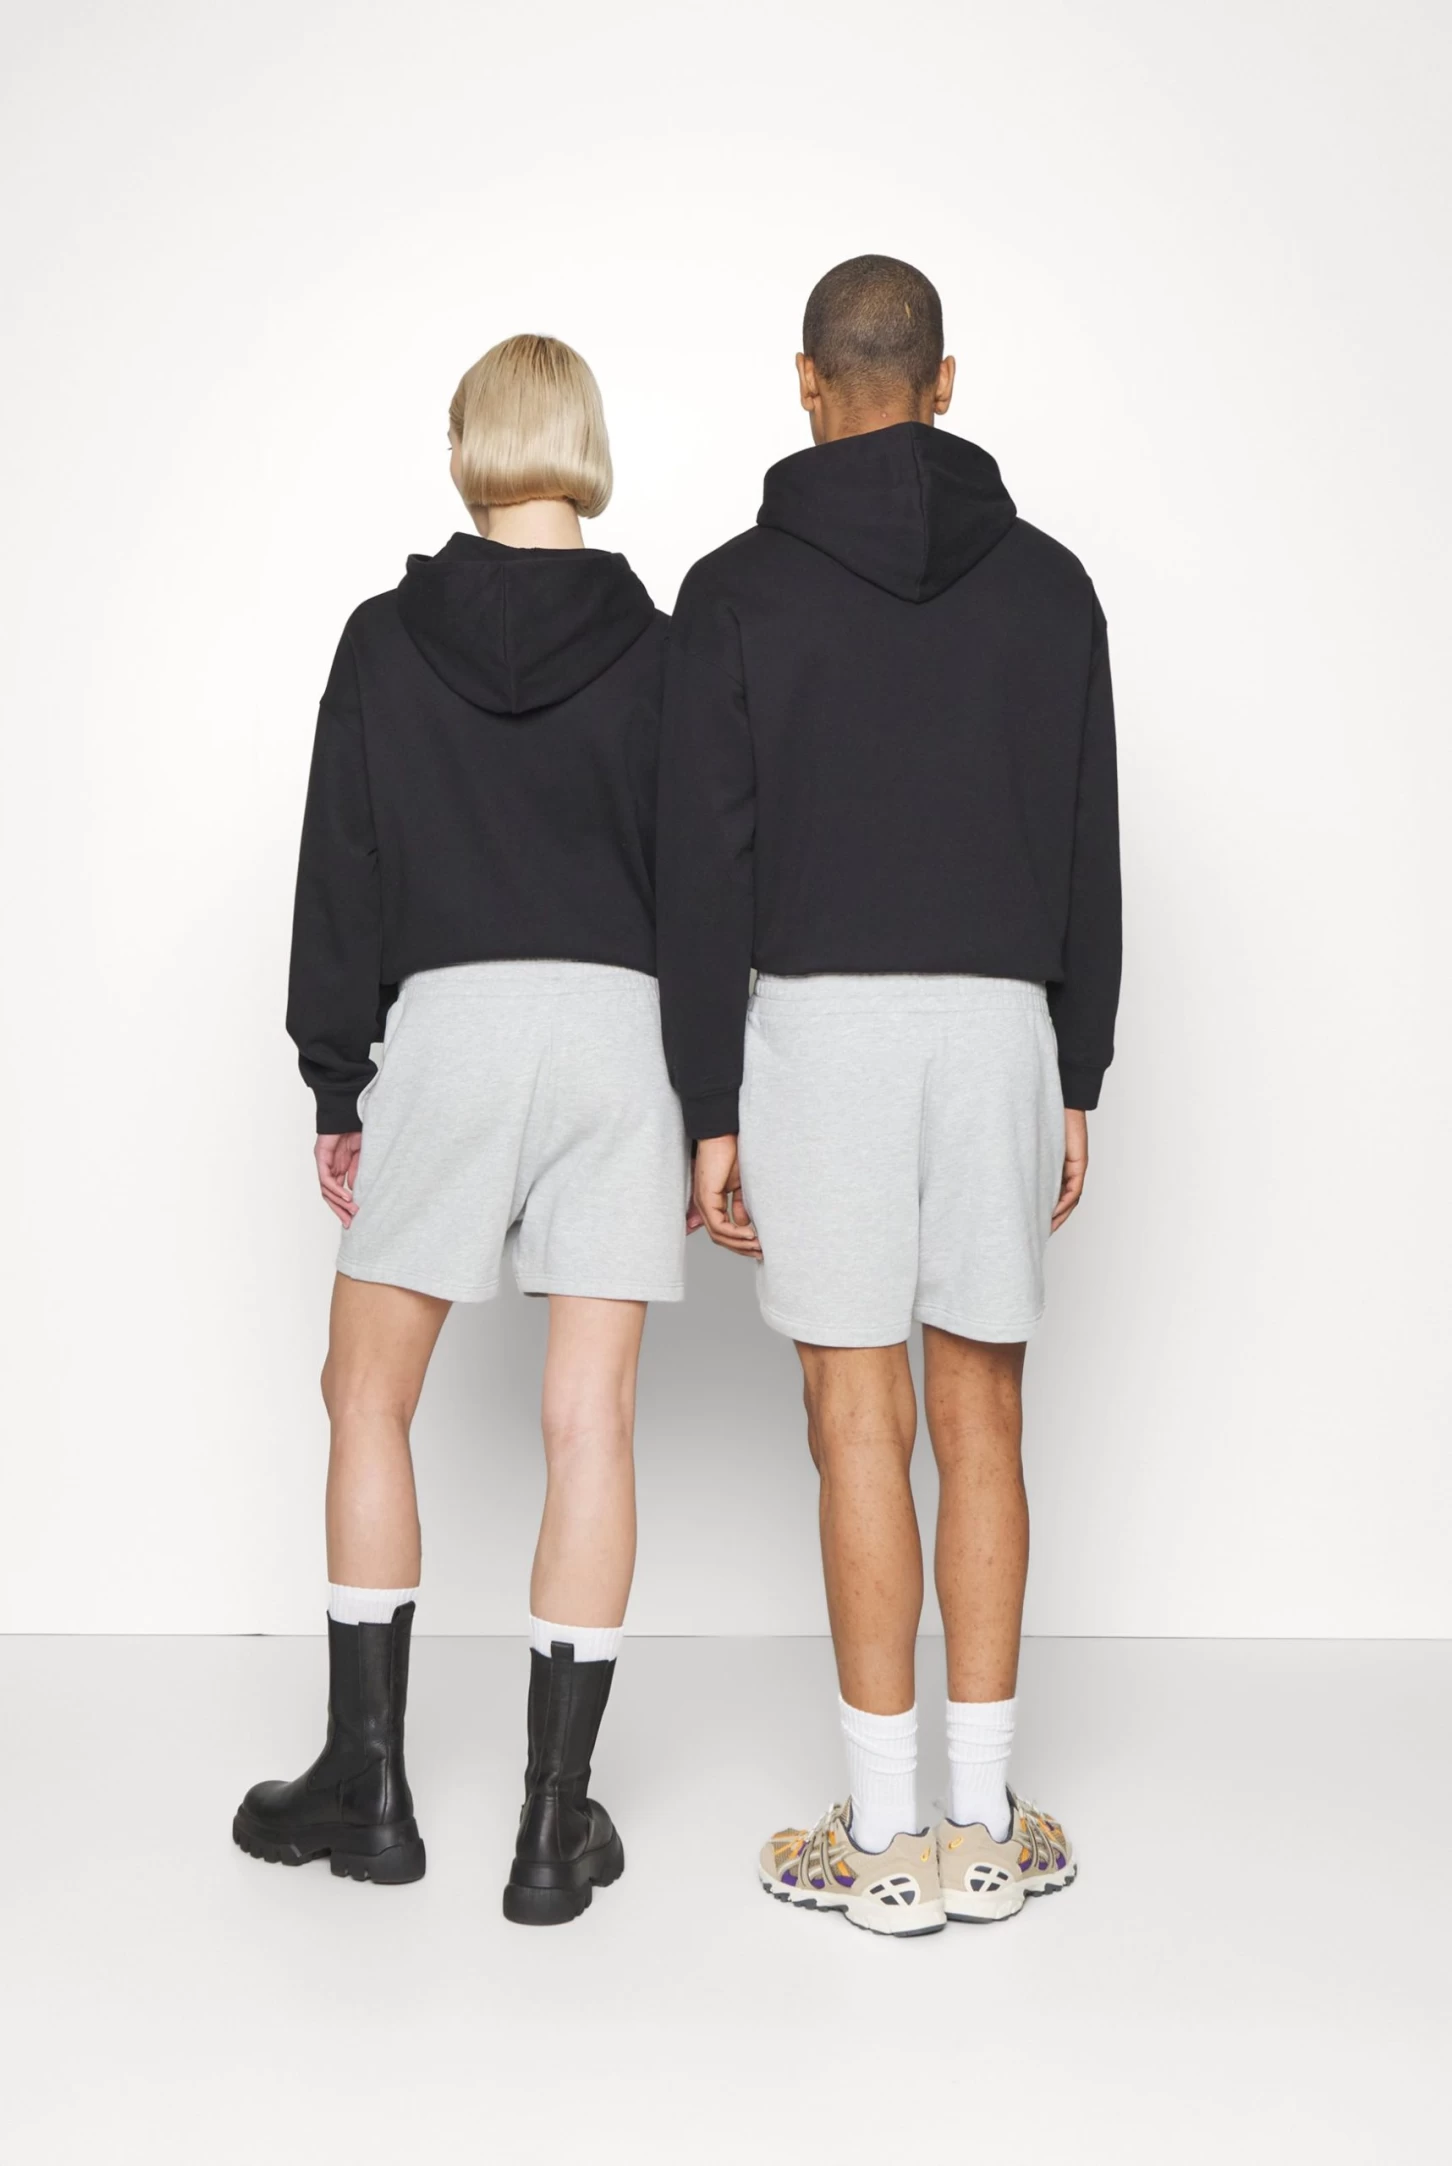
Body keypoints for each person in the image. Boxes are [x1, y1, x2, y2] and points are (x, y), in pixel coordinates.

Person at [657, 256, 1120, 1936]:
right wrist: (1078, 1067)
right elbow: (1089, 842)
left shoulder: (731, 594)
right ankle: (986, 1827)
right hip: (999, 1031)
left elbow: (701, 868)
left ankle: (881, 1835)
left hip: (820, 1035)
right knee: (984, 1413)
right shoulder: (1052, 588)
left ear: (807, 381)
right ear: (943, 381)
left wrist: (709, 1097)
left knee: (857, 1420)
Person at [233, 334, 686, 1924]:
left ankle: (369, 1789)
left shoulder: (383, 639)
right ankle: (553, 1831)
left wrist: (337, 1077)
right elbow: (712, 880)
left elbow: (340, 864)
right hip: (623, 1035)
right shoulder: (666, 648)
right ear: (588, 445)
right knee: (592, 1420)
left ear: (465, 447)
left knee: (366, 1392)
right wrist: (712, 1097)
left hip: (451, 1026)